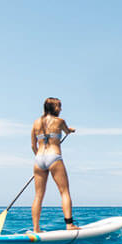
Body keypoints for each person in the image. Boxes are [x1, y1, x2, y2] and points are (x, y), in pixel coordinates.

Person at [31, 97, 79, 232]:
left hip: (39, 159)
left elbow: (32, 145)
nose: (61, 109)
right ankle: (69, 224)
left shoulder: (35, 123)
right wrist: (71, 130)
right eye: (59, 106)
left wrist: (40, 157)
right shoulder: (60, 121)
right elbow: (67, 131)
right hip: (54, 157)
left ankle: (36, 228)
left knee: (38, 195)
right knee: (64, 191)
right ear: (52, 108)